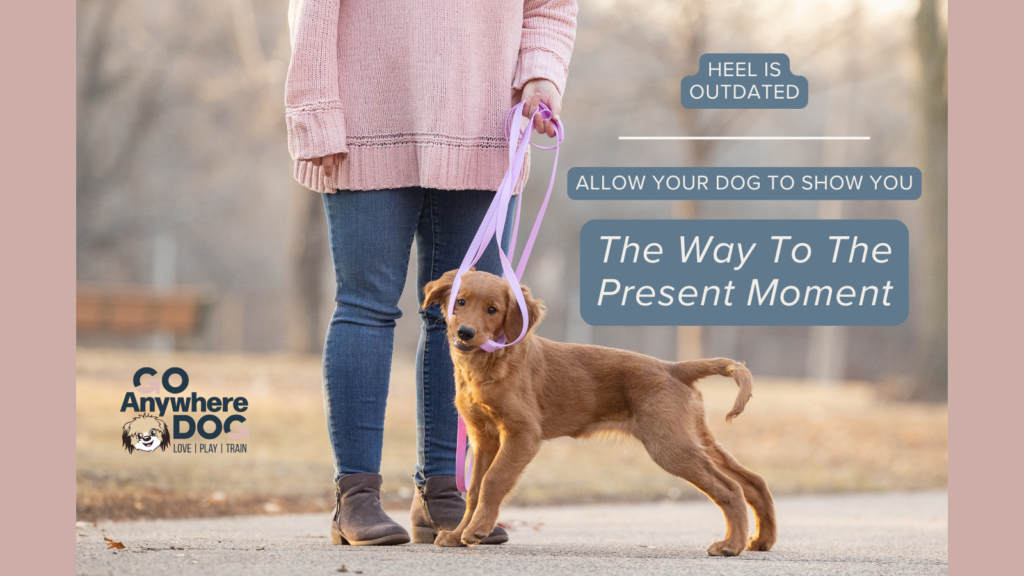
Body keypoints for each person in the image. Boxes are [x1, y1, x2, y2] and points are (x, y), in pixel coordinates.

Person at [284, 0, 577, 546]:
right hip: (367, 117)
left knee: (469, 323)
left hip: (484, 124)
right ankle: (356, 497)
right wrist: (315, 111)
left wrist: (541, 73)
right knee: (366, 306)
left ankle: (442, 489)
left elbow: (549, 7)